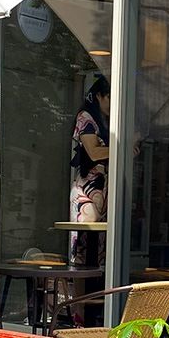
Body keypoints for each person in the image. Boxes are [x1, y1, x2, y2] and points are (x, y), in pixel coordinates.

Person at [69, 75, 110, 267]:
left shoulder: (107, 121)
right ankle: (81, 288)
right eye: (109, 97)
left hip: (104, 188)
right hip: (88, 187)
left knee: (100, 251)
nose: (112, 103)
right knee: (84, 249)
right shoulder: (85, 117)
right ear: (98, 96)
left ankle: (96, 288)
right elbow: (93, 152)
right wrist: (121, 149)